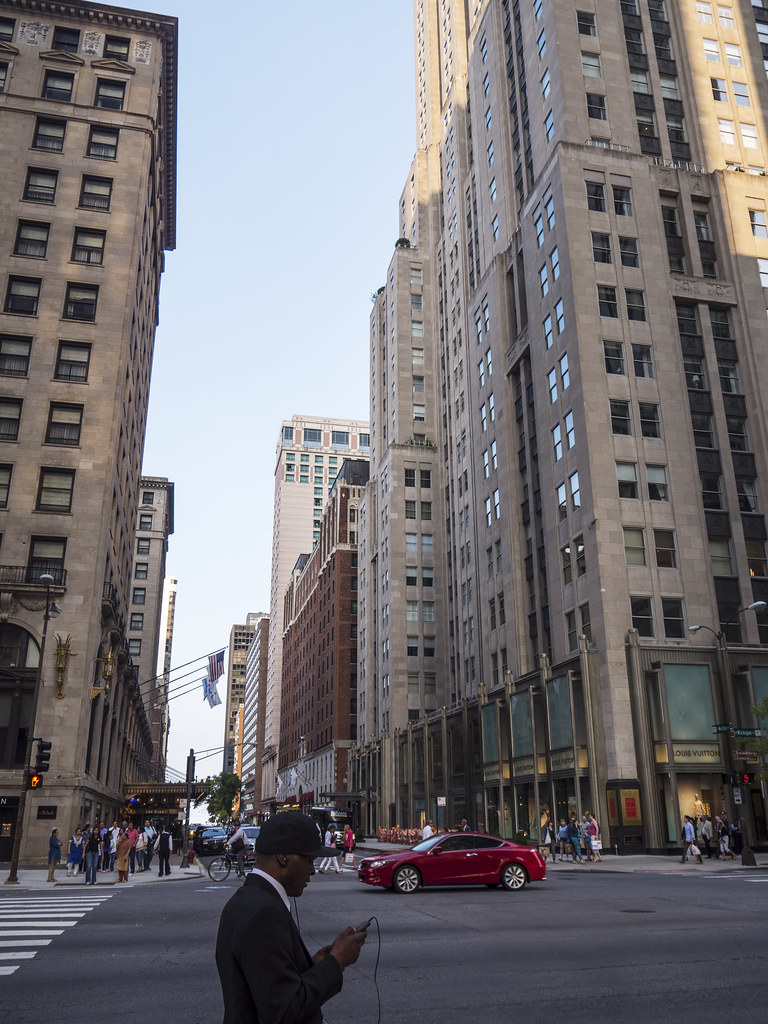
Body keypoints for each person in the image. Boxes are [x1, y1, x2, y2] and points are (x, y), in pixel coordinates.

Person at [216, 811, 366, 1024]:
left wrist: (313, 966)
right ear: (283, 857)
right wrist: (336, 961)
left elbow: (265, 980)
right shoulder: (263, 913)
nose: (312, 870)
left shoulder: (247, 899)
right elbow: (284, 1011)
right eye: (309, 860)